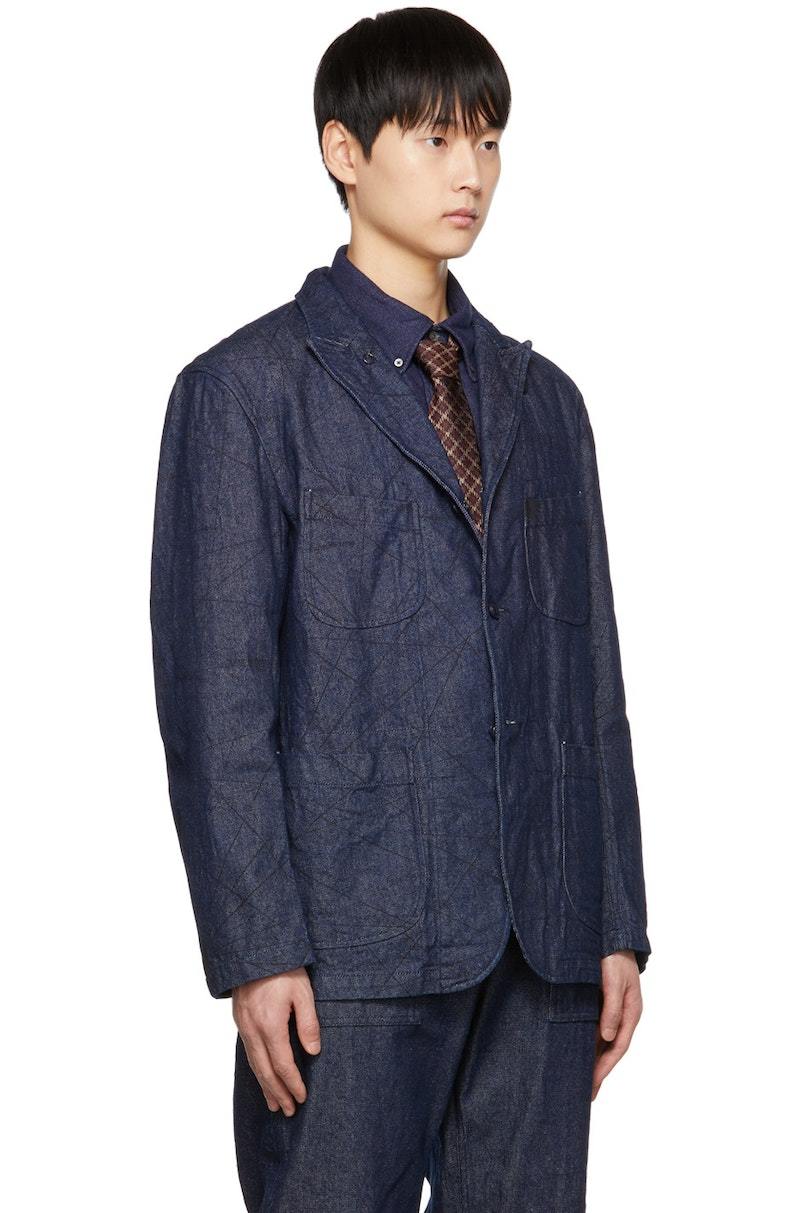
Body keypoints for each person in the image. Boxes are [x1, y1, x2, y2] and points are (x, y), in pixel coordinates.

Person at [149, 8, 652, 1210]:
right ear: (343, 150)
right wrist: (255, 945)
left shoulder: (544, 401)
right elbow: (218, 698)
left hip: (541, 946)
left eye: (488, 139)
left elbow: (589, 681)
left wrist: (614, 917)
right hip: (344, 951)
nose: (469, 171)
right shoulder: (245, 393)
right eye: (433, 138)